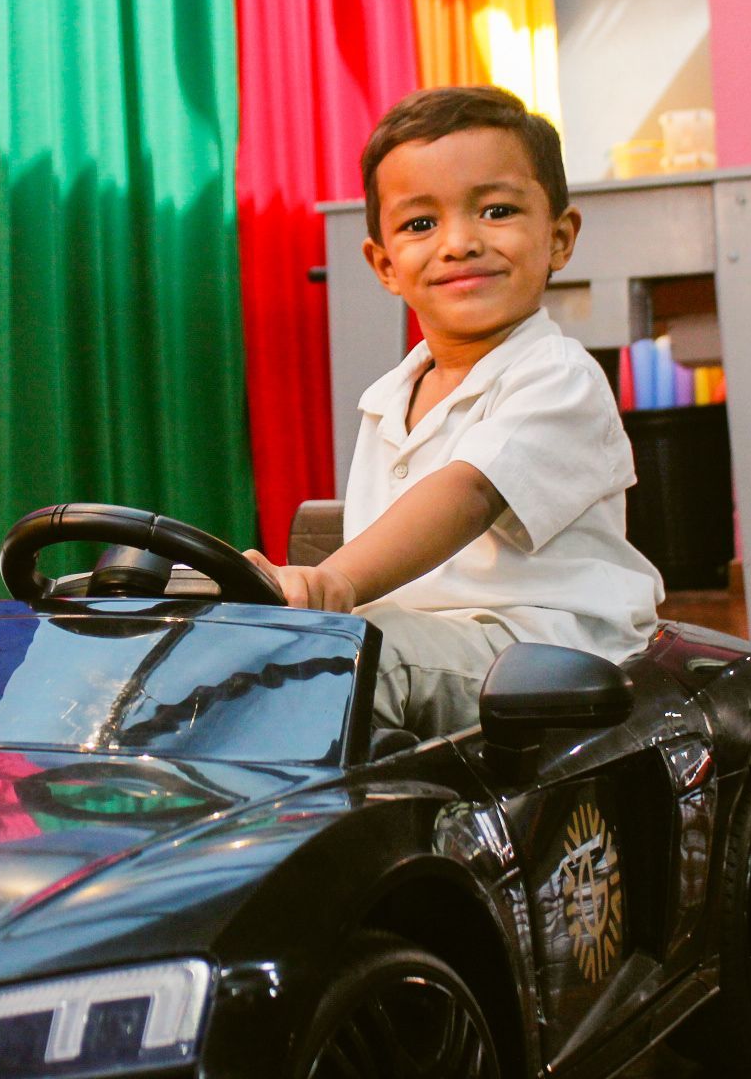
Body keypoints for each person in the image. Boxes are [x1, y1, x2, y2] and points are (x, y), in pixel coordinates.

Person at [246, 86, 663, 737]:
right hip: (427, 646)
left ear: (559, 238)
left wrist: (331, 584)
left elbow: (467, 493)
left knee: (348, 655)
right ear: (385, 265)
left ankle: (324, 827)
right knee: (259, 649)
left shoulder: (558, 377)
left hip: (538, 653)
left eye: (496, 211)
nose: (460, 242)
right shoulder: (389, 397)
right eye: (420, 224)